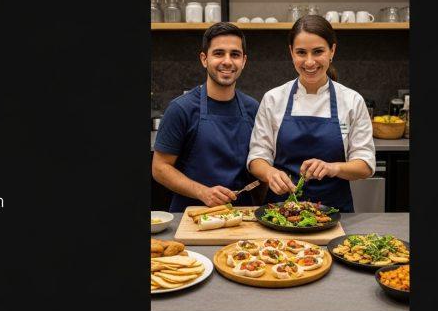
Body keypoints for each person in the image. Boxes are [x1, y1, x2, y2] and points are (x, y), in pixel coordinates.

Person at [247, 15, 375, 212]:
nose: (309, 62)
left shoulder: (351, 101)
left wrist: (334, 168)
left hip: (334, 214)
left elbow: (365, 164)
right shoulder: (273, 98)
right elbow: (257, 158)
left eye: (318, 52)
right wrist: (271, 173)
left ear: (332, 50)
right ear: (291, 52)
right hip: (280, 212)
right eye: (301, 52)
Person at [152, 22, 260, 212]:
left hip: (242, 217)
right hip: (191, 216)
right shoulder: (181, 108)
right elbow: (160, 168)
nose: (227, 61)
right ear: (204, 59)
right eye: (219, 53)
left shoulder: (253, 108)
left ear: (244, 61)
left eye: (234, 54)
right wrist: (203, 192)